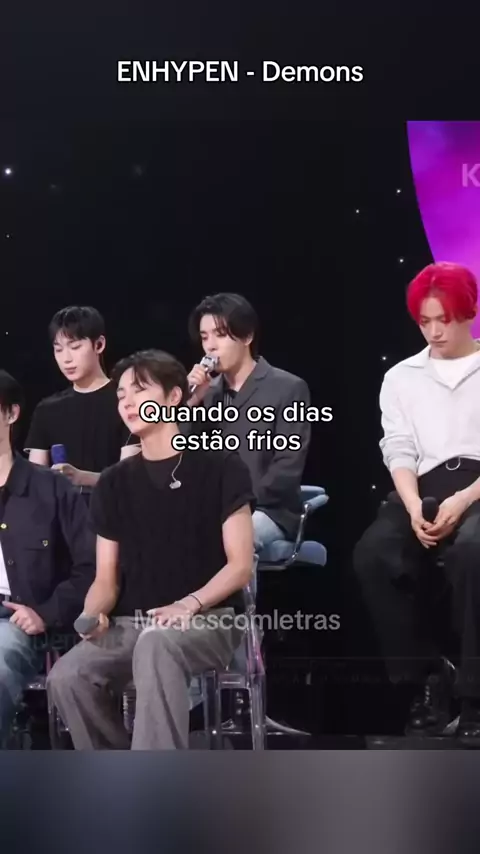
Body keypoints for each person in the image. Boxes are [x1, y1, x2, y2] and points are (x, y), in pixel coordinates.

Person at [46, 349, 255, 750]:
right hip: (132, 624)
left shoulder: (221, 466)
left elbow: (240, 566)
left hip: (208, 619)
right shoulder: (113, 482)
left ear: (173, 397)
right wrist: (93, 613)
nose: (127, 402)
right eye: (121, 394)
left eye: (139, 390)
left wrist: (188, 605)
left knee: (157, 643)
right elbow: (105, 579)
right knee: (68, 676)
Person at [353, 261, 480, 744]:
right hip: (422, 485)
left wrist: (464, 500)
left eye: (443, 320)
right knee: (374, 554)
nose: (434, 331)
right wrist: (411, 506)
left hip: (477, 486)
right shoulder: (401, 376)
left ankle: (475, 696)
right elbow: (399, 447)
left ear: (468, 313)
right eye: (424, 321)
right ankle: (429, 676)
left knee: (472, 551)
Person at [0, 370, 95, 747]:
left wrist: (45, 612)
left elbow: (90, 568)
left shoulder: (50, 488)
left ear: (11, 414)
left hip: (18, 621)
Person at [186, 293, 312, 554]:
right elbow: (183, 455)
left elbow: (287, 467)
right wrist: (190, 404)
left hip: (268, 510)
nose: (210, 346)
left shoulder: (288, 388)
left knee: (226, 542)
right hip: (213, 510)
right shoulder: (207, 394)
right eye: (204, 337)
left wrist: (237, 504)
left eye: (220, 335)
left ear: (247, 336)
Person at [24, 306, 140, 497]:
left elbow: (130, 479)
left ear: (99, 345)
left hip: (113, 510)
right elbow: (35, 480)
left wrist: (81, 477)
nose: (66, 359)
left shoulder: (126, 401)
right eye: (58, 350)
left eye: (75, 347)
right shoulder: (46, 409)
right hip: (63, 513)